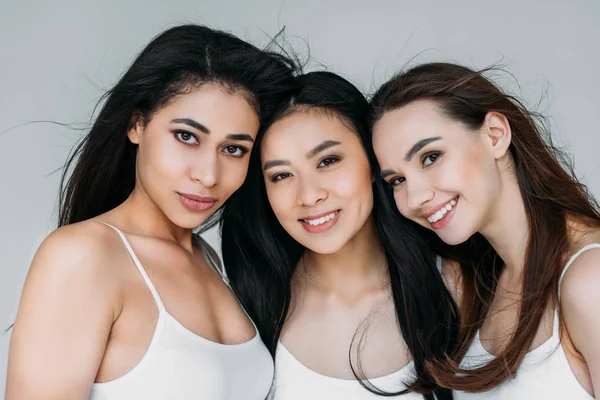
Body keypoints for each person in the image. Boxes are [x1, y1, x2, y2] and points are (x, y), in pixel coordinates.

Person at [6, 24, 297, 399]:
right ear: (136, 124)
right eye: (187, 136)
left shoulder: (211, 261)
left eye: (233, 149)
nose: (208, 176)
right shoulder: (83, 256)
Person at [222, 71, 459, 399]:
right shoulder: (250, 304)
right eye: (281, 175)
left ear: (373, 163)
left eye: (327, 161)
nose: (308, 195)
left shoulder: (454, 285)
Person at [369, 61, 600, 398]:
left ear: (495, 135)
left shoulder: (588, 280)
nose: (415, 197)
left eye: (430, 157)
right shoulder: (478, 281)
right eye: (397, 180)